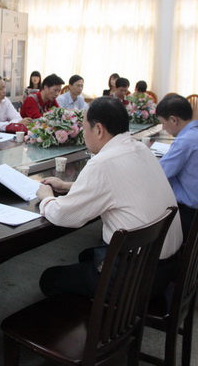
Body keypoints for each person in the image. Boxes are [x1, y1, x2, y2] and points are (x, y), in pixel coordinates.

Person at [36, 97, 182, 301]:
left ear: (98, 130)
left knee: (49, 279)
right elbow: (122, 185)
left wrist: (46, 197)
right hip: (166, 269)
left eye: (84, 127)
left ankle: (99, 313)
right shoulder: (141, 149)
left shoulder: (102, 163)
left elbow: (62, 216)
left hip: (134, 277)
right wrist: (70, 186)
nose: (83, 134)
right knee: (86, 256)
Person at [156, 94, 198, 238]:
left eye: (163, 123)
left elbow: (159, 175)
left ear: (173, 120)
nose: (163, 128)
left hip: (192, 218)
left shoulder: (184, 142)